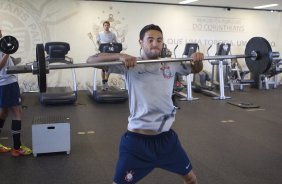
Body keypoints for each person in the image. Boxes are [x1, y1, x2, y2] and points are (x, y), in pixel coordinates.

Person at [87, 24, 203, 184]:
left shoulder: (172, 63)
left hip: (167, 140)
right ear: (141, 42)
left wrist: (198, 60)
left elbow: (196, 69)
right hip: (137, 142)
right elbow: (91, 60)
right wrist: (120, 56)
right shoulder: (129, 65)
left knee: (191, 179)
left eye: (159, 40)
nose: (155, 43)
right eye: (150, 40)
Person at [0, 29, 32, 157]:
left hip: (5, 83)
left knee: (3, 112)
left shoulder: (2, 44)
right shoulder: (3, 48)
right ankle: (17, 148)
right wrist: (7, 53)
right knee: (17, 111)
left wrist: (10, 56)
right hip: (7, 83)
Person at [96, 21, 117, 90]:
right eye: (105, 25)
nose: (106, 26)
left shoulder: (112, 34)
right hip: (102, 51)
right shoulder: (100, 34)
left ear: (109, 26)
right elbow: (98, 41)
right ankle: (103, 82)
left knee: (109, 67)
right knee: (103, 68)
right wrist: (99, 46)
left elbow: (115, 42)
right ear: (103, 26)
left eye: (108, 25)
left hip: (110, 52)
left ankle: (106, 81)